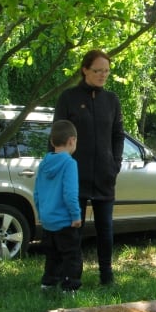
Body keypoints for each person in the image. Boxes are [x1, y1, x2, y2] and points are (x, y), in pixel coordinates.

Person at [54, 49, 126, 286]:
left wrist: (115, 163)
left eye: (106, 71)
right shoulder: (69, 98)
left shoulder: (112, 100)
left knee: (105, 229)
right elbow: (57, 135)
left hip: (105, 175)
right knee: (75, 229)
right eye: (98, 70)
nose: (103, 75)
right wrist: (60, 167)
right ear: (85, 70)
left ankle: (107, 275)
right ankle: (72, 276)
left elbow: (118, 135)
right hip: (74, 174)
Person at [34, 119, 83, 293]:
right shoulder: (70, 164)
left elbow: (37, 193)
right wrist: (76, 216)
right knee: (72, 255)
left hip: (48, 220)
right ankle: (70, 286)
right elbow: (69, 194)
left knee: (52, 255)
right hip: (64, 221)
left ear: (52, 141)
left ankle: (48, 283)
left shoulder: (44, 163)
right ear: (72, 141)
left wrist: (41, 213)